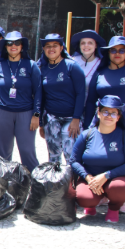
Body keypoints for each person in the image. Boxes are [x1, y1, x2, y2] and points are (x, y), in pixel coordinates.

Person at [0, 31, 42, 171]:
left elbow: (39, 91)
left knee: (27, 151)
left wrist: (36, 114)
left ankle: (35, 184)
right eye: (9, 43)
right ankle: (3, 186)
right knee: (3, 153)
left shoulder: (31, 65)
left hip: (26, 114)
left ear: (22, 46)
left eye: (17, 43)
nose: (13, 46)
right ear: (5, 46)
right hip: (2, 113)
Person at [70, 95, 125, 223]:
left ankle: (114, 208)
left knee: (119, 188)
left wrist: (106, 176)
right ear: (98, 113)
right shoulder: (87, 134)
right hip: (90, 178)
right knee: (84, 197)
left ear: (118, 117)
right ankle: (91, 204)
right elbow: (74, 161)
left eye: (113, 113)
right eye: (105, 111)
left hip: (116, 178)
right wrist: (87, 177)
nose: (108, 116)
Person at [84, 36, 125, 142]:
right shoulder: (99, 73)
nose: (117, 53)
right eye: (113, 50)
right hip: (102, 126)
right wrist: (87, 126)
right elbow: (91, 101)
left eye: (122, 50)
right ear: (108, 53)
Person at [37, 33, 86, 164]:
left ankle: (72, 184)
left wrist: (76, 119)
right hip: (51, 118)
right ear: (43, 49)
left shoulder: (72, 66)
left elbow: (81, 94)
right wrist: (42, 123)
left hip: (71, 118)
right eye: (47, 46)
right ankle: (56, 183)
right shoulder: (42, 68)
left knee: (71, 155)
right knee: (53, 155)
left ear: (61, 48)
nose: (51, 49)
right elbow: (41, 97)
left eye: (55, 46)